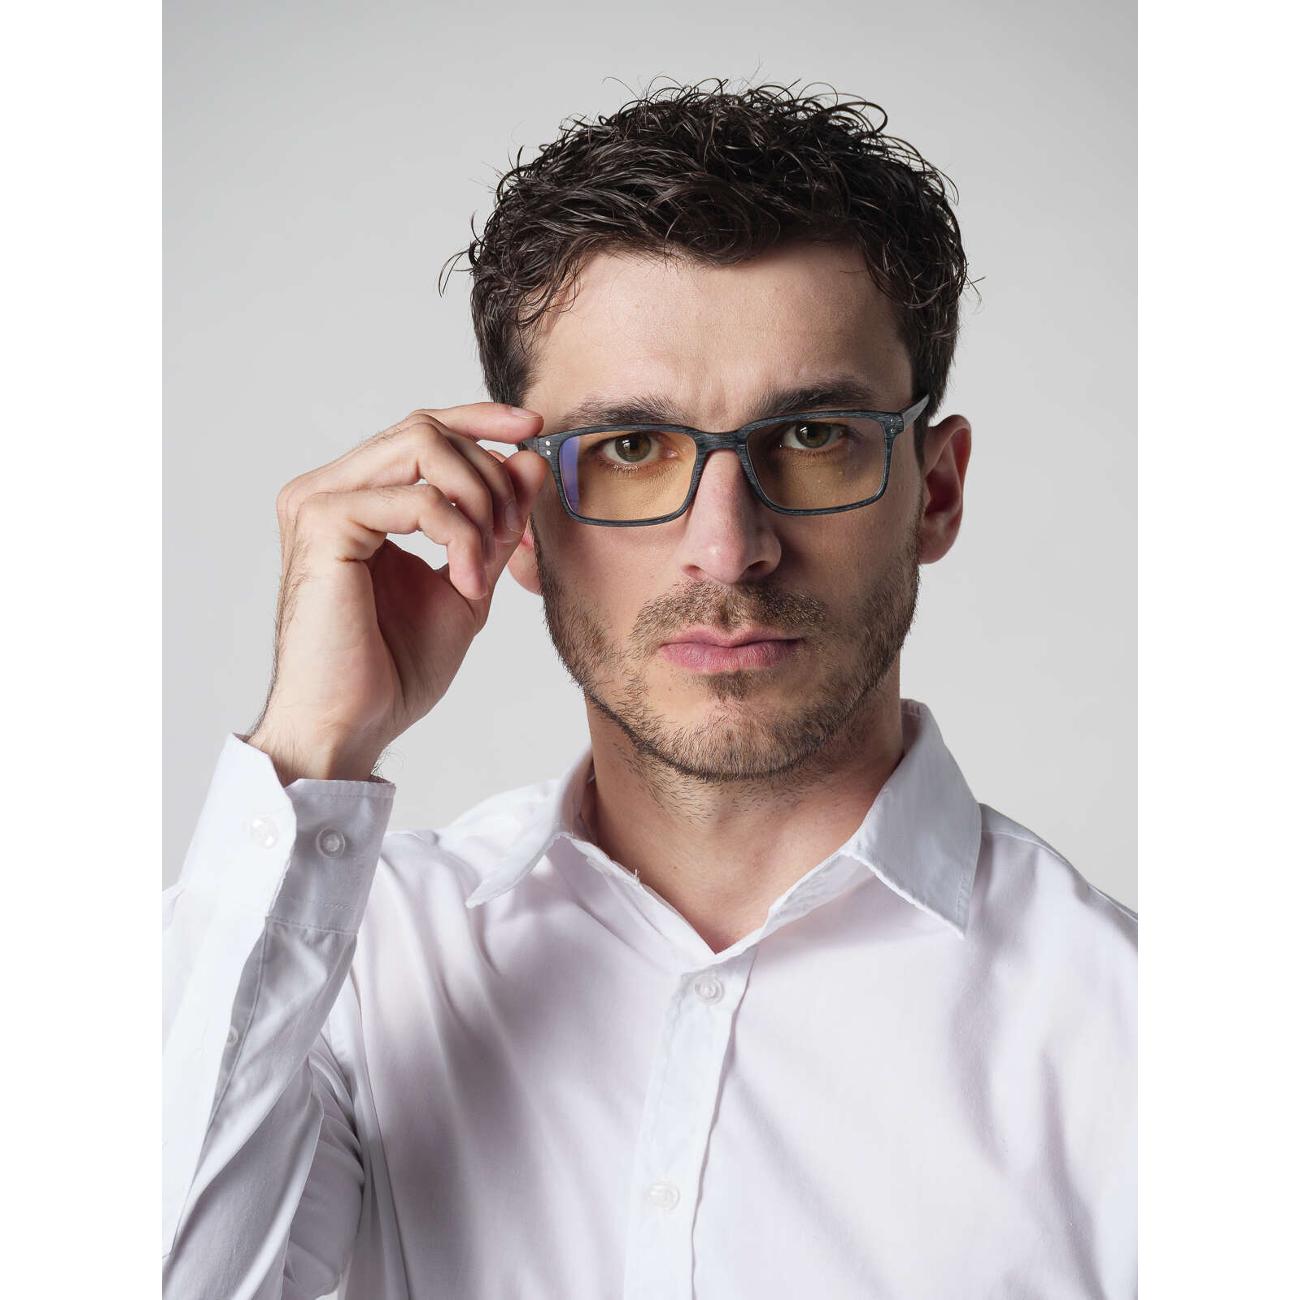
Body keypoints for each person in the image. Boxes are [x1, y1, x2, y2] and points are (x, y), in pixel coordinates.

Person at [162, 81, 1136, 1299]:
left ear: (933, 493)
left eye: (813, 437)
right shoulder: (348, 965)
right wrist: (310, 745)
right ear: (519, 515)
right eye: (631, 449)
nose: (727, 550)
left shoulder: (1133, 1038)